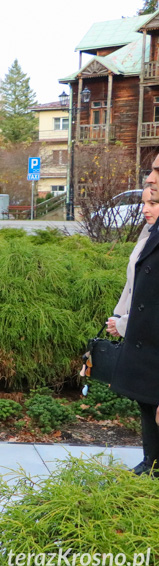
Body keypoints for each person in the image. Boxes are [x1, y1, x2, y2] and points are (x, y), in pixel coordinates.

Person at [108, 154, 159, 477]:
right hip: (147, 342)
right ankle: (150, 463)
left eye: (157, 171)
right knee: (147, 405)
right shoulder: (149, 233)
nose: (151, 177)